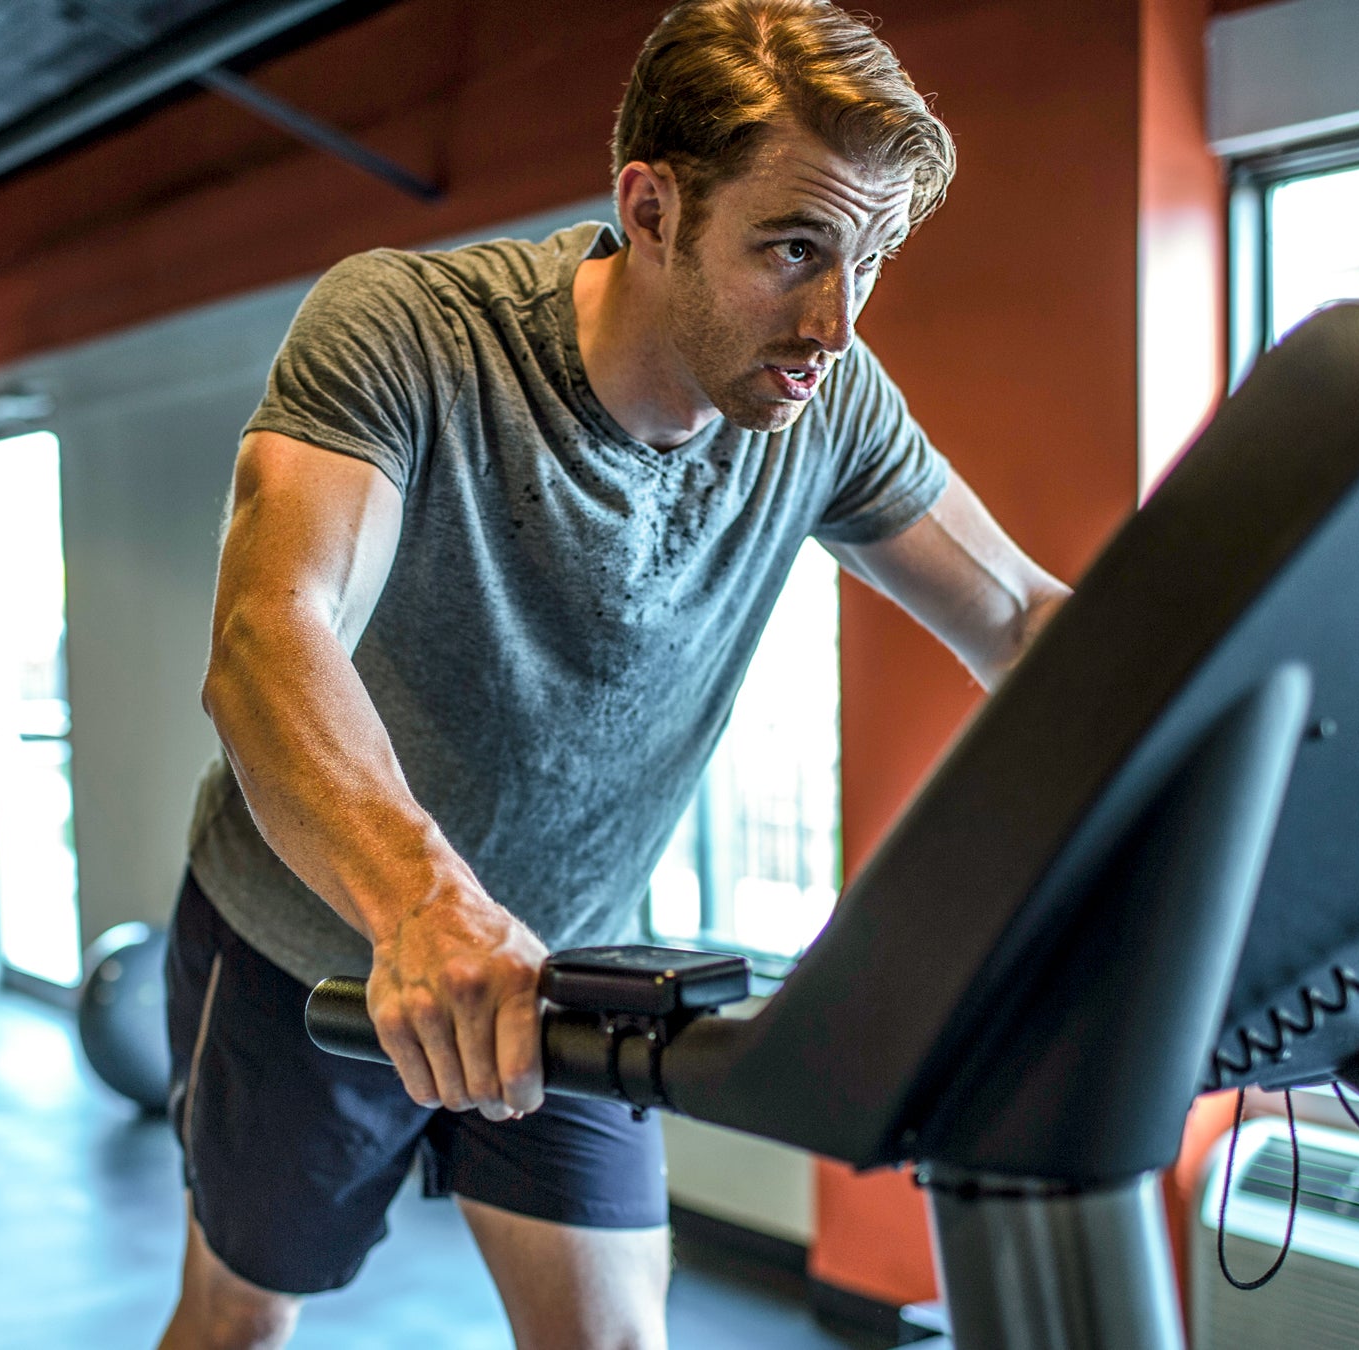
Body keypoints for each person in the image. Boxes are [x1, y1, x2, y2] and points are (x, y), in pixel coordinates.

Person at [160, 3, 1069, 1346]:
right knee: (239, 1320)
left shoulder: (830, 405)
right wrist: (423, 902)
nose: (832, 319)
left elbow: (1021, 618)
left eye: (866, 258)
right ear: (649, 206)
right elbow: (266, 634)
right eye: (793, 247)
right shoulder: (411, 333)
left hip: (568, 960)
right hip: (309, 955)